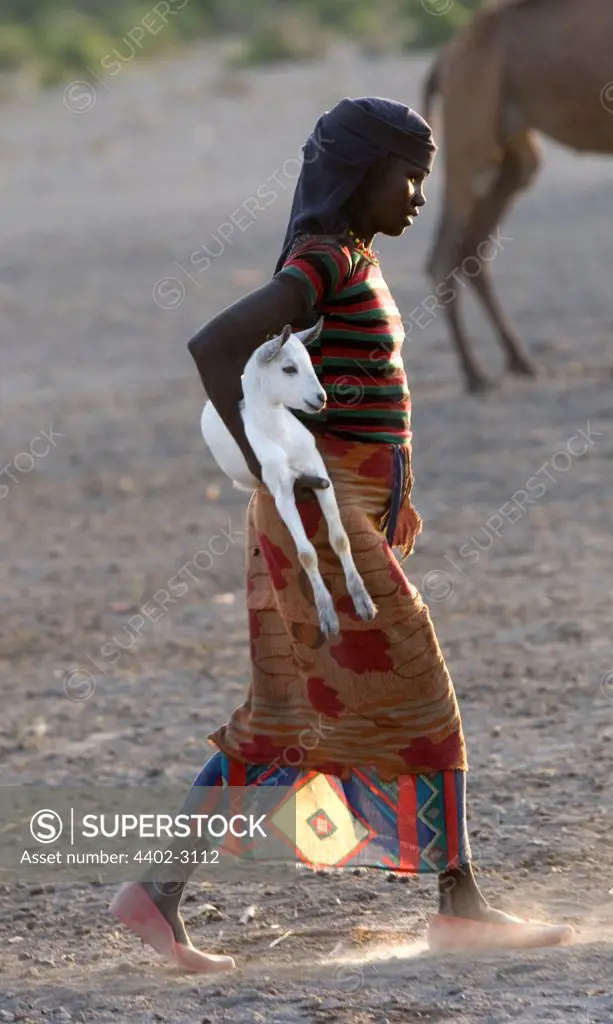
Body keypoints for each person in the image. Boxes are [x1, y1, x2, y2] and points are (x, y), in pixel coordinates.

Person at [110, 96, 574, 972]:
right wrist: (260, 461)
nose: (417, 198)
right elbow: (212, 344)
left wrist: (382, 500)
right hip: (320, 524)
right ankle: (459, 904)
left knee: (279, 720)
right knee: (423, 694)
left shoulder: (344, 257)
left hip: (332, 518)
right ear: (357, 174)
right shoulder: (322, 263)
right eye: (406, 177)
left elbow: (356, 406)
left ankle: (153, 895)